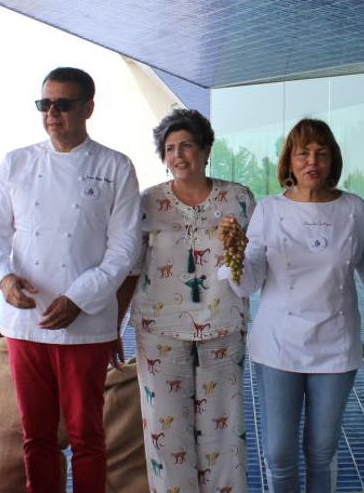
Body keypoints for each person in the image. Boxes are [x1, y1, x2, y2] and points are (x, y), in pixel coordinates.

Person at [0, 67, 141, 493]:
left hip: (84, 325)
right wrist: (4, 278)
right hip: (25, 323)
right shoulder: (17, 162)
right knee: (36, 437)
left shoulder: (115, 166)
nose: (52, 113)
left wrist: (78, 298)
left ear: (88, 107)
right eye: (45, 104)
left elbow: (124, 250)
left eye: (63, 105)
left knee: (88, 437)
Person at [219, 118, 364, 492]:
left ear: (332, 160)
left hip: (336, 346)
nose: (312, 162)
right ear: (289, 161)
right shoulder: (271, 210)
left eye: (321, 153)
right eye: (303, 153)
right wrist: (234, 255)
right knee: (278, 453)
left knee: (322, 449)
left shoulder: (353, 208)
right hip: (279, 345)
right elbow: (249, 283)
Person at [115, 108, 254, 491]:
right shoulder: (147, 203)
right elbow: (131, 267)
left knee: (224, 431)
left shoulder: (238, 199)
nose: (178, 155)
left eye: (187, 145)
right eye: (170, 148)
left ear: (206, 150)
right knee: (164, 426)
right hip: (160, 330)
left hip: (223, 325)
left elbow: (255, 262)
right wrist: (114, 323)